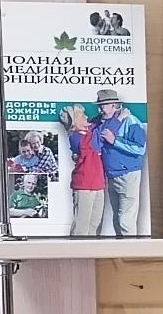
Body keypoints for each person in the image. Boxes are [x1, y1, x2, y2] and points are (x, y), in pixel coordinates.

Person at [92, 88, 147, 238]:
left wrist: (115, 141)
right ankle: (121, 247)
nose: (100, 109)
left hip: (128, 175)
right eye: (99, 105)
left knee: (125, 220)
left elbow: (140, 149)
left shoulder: (131, 121)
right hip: (111, 175)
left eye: (103, 105)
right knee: (117, 217)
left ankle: (130, 249)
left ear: (114, 105)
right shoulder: (101, 122)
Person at [63, 104, 106, 238]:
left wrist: (103, 114)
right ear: (74, 122)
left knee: (95, 224)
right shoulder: (75, 137)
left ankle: (91, 248)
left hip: (98, 183)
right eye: (82, 116)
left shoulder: (89, 132)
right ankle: (75, 248)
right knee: (81, 225)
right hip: (84, 185)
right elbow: (88, 146)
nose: (86, 117)